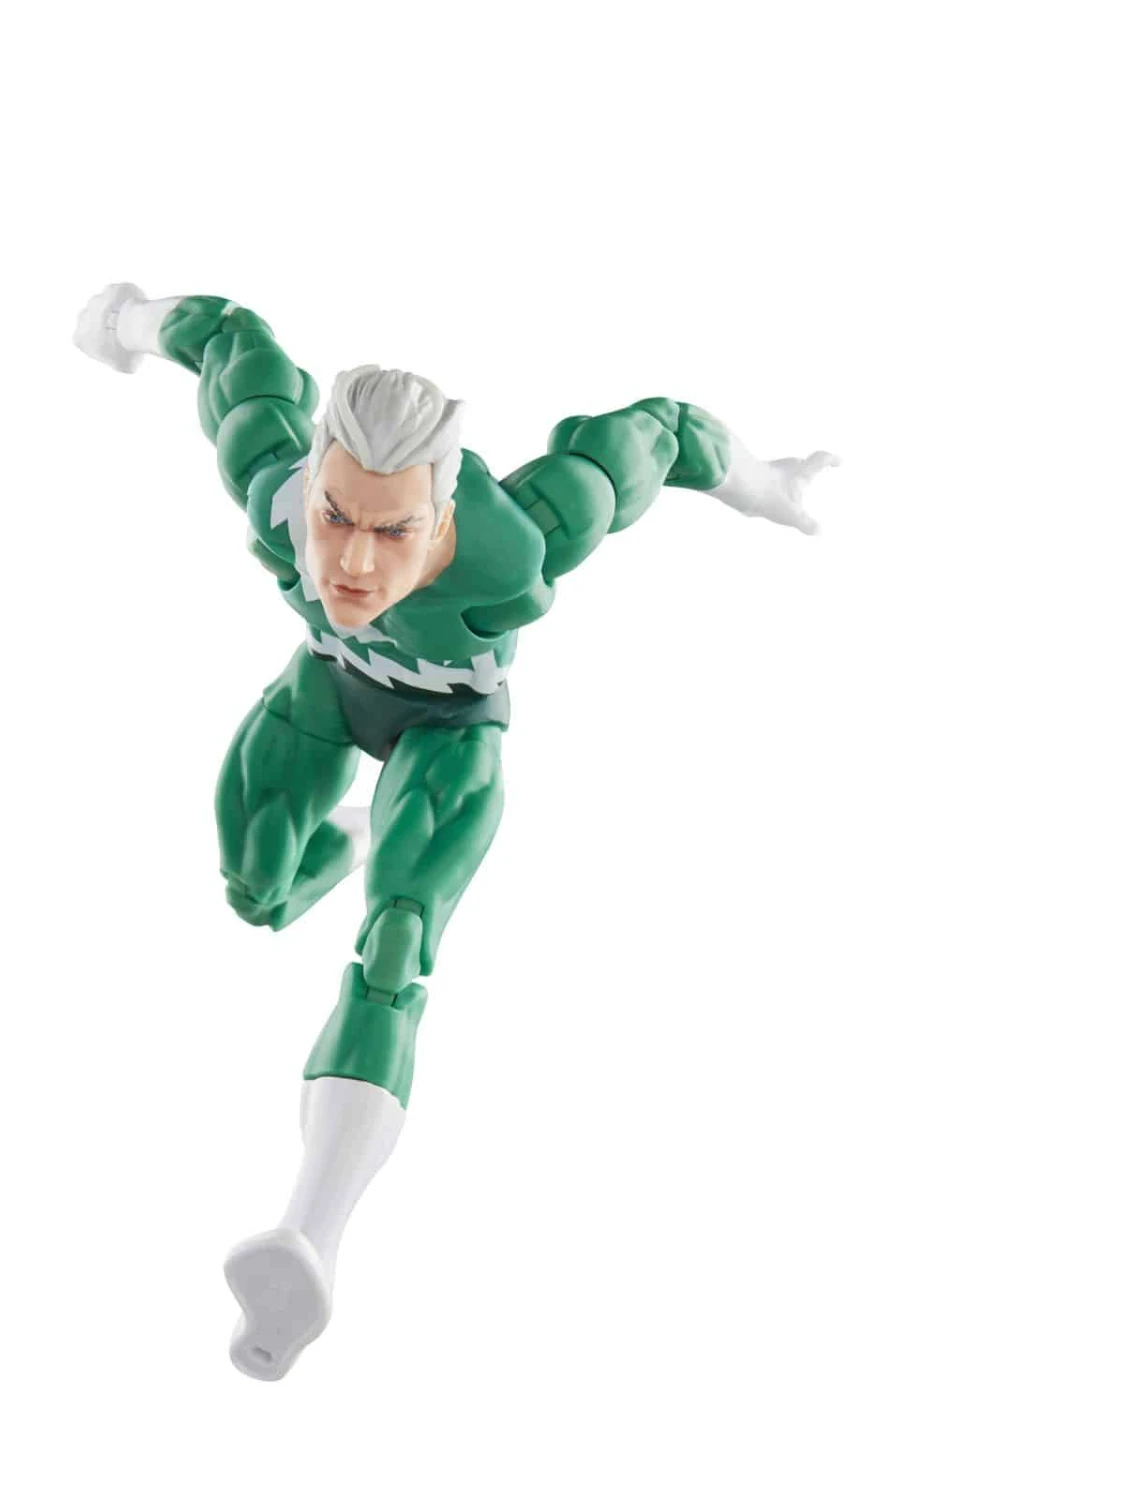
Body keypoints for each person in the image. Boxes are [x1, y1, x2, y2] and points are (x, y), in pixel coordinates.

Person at [73, 283, 838, 1380]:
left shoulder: (525, 537)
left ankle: (308, 1238)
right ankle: (351, 831)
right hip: (325, 689)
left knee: (395, 946)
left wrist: (769, 489)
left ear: (439, 521)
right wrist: (127, 322)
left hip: (450, 734)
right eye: (337, 518)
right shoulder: (275, 483)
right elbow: (228, 343)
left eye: (392, 531)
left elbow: (664, 433)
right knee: (256, 892)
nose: (351, 563)